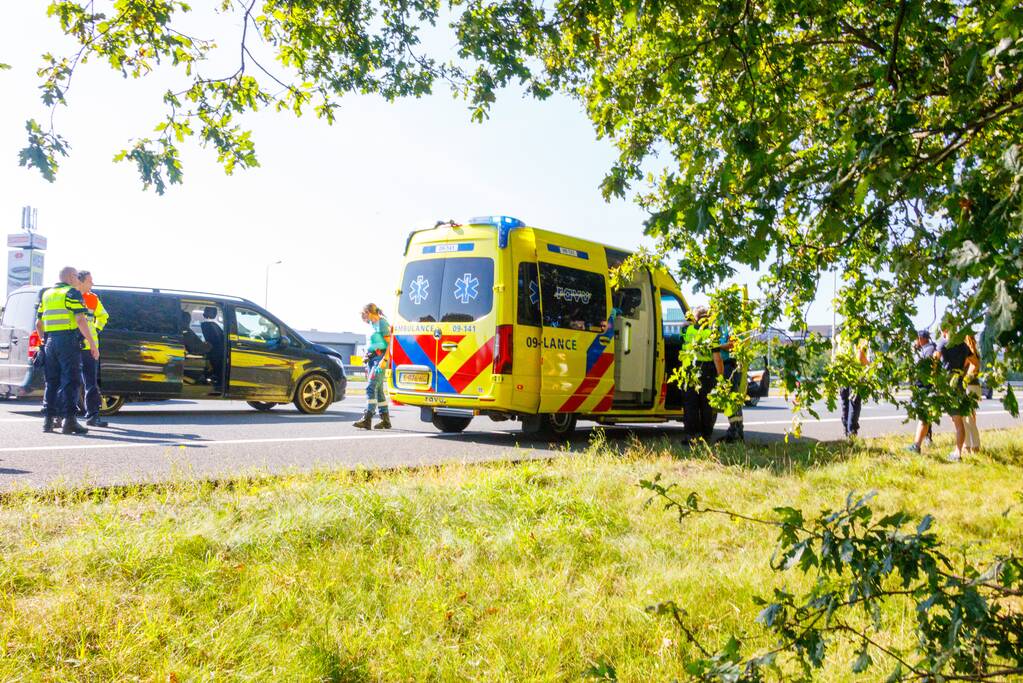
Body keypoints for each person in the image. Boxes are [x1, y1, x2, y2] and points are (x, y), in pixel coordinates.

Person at [36, 267, 98, 435]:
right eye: (77, 277)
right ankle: (69, 421)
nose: (78, 280)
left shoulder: (46, 294)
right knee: (71, 381)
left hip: (50, 342)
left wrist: (43, 342)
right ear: (71, 277)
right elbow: (80, 319)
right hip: (68, 342)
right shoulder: (71, 293)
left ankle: (48, 422)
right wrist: (92, 343)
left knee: (52, 381)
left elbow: (38, 324)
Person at [935, 327, 980, 462]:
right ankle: (959, 450)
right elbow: (975, 363)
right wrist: (965, 376)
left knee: (956, 420)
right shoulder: (963, 345)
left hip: (947, 384)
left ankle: (958, 453)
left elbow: (935, 360)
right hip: (959, 383)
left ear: (945, 330)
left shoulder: (943, 343)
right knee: (959, 421)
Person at [76, 270, 109, 427]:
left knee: (90, 384)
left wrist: (95, 330)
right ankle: (65, 416)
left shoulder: (92, 298)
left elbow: (103, 316)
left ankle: (92, 416)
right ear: (81, 281)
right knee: (73, 382)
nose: (92, 284)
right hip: (76, 346)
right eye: (90, 281)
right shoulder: (71, 295)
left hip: (88, 346)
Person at [682, 306, 720, 440]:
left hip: (690, 370)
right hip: (706, 370)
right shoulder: (711, 333)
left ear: (696, 318)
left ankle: (690, 434)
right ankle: (706, 435)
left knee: (690, 404)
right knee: (706, 405)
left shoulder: (689, 330)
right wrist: (721, 377)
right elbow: (716, 357)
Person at [353, 303, 392, 430]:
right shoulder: (371, 325)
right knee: (379, 390)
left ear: (368, 312)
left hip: (380, 359)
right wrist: (367, 355)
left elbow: (389, 344)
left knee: (370, 387)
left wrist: (384, 360)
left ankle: (367, 418)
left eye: (363, 315)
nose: (362, 318)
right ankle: (385, 421)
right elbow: (373, 343)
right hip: (372, 359)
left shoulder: (382, 323)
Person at [906, 329, 937, 453]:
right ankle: (925, 437)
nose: (915, 341)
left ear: (922, 338)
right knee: (922, 413)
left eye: (916, 338)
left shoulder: (929, 349)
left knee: (924, 414)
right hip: (920, 385)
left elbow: (921, 366)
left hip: (925, 385)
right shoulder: (922, 349)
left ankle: (926, 438)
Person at [835, 327, 870, 438]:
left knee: (845, 404)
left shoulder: (841, 337)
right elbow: (860, 357)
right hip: (856, 376)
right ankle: (851, 433)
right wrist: (870, 365)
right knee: (854, 405)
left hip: (843, 374)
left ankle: (846, 430)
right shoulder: (861, 339)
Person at [716, 323, 746, 443]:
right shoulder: (721, 324)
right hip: (725, 364)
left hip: (730, 365)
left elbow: (732, 345)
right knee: (731, 400)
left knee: (732, 400)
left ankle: (735, 432)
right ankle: (736, 430)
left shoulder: (733, 325)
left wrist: (716, 346)